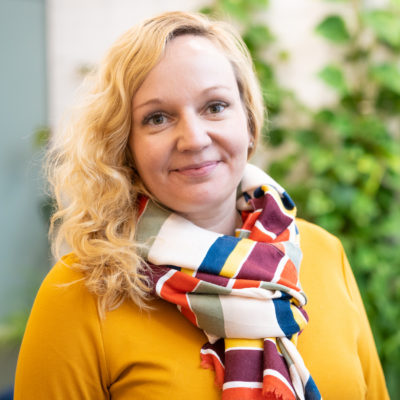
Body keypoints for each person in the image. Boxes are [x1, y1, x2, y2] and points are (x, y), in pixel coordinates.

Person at [14, 11, 389, 400]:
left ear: (249, 123)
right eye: (157, 118)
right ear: (125, 146)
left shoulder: (324, 254)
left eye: (215, 106)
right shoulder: (81, 293)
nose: (193, 139)